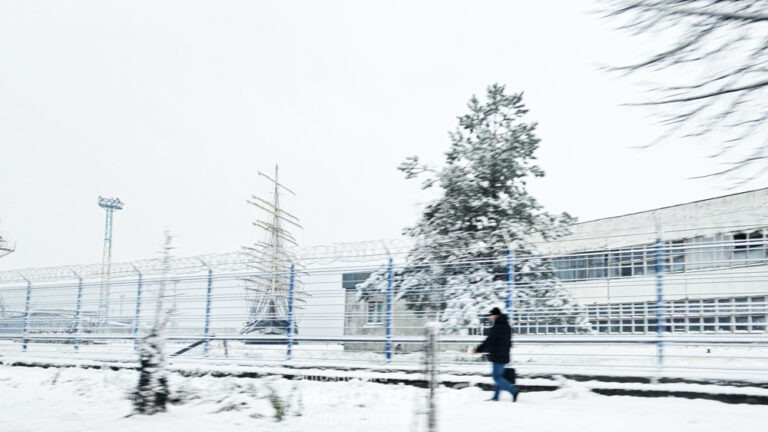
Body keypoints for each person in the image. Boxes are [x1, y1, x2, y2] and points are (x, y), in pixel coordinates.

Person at [472, 307, 520, 402]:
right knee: (499, 377)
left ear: (495, 315)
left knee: (497, 377)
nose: (491, 316)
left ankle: (513, 391)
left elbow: (489, 340)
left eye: (492, 315)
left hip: (498, 355)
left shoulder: (497, 327)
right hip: (504, 354)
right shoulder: (507, 326)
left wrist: (478, 349)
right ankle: (495, 397)